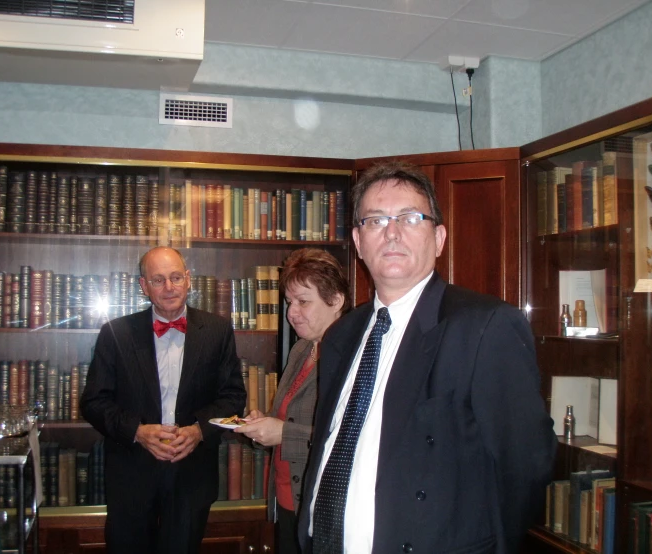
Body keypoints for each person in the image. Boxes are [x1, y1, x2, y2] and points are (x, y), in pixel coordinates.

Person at [297, 162, 557, 554]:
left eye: (410, 217)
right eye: (375, 220)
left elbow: (527, 466)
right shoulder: (341, 336)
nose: (392, 232)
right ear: (358, 240)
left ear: (438, 238)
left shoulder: (486, 327)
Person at [80, 246, 246, 554]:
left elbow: (234, 398)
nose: (169, 287)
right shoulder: (115, 333)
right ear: (144, 286)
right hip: (131, 474)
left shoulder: (217, 330)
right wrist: (138, 432)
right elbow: (93, 402)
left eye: (175, 277)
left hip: (191, 474)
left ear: (188, 280)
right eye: (158, 280)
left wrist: (198, 431)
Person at [234, 248, 350, 554]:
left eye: (303, 301)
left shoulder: (352, 358)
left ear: (336, 300)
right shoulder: (302, 349)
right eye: (288, 302)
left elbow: (348, 439)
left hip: (320, 505)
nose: (291, 313)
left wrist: (281, 432)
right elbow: (289, 418)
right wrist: (263, 425)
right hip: (285, 500)